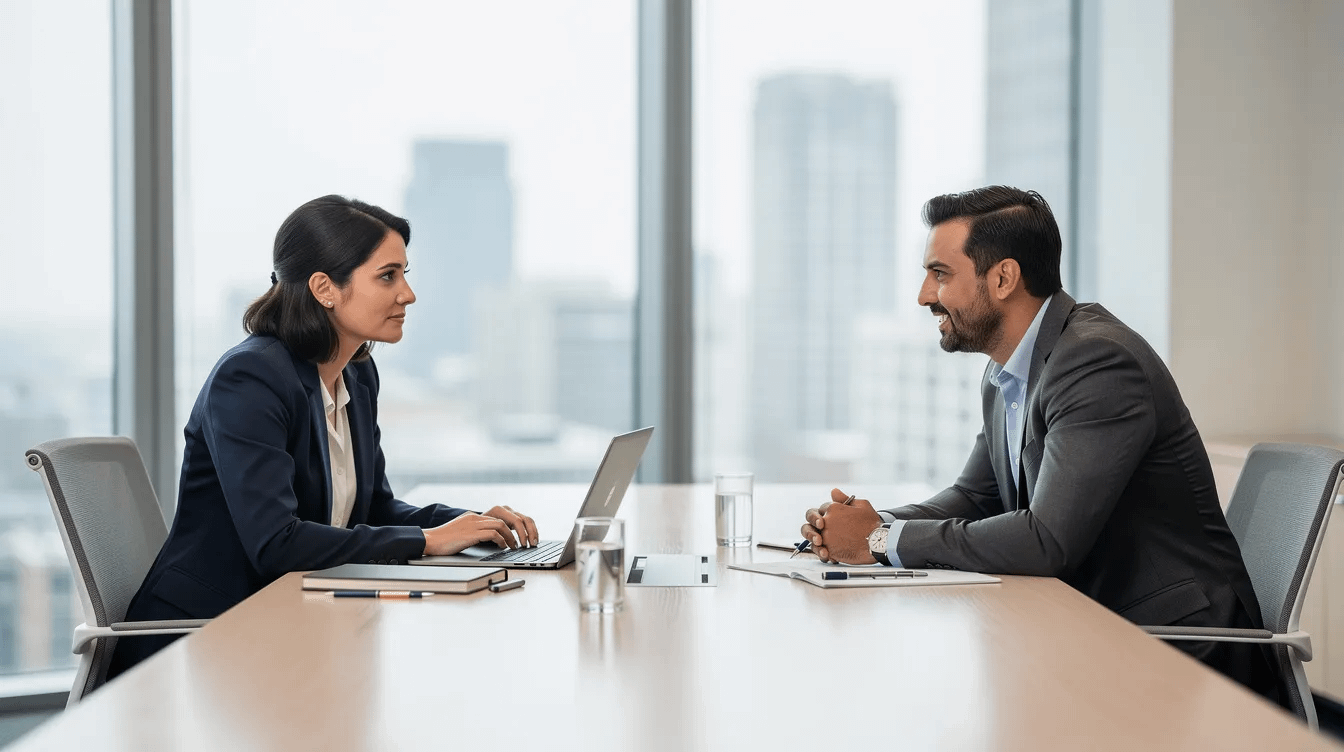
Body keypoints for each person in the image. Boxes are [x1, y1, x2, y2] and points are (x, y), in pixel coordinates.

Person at [799, 186, 1282, 702]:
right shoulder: (1008, 371)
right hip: (1096, 621)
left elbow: (1046, 540)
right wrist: (865, 524)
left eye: (940, 274)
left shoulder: (1096, 363)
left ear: (1003, 278)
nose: (923, 295)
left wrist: (878, 542)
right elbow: (975, 496)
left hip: (1179, 646)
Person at [108, 195, 539, 678]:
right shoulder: (250, 378)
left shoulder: (356, 373)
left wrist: (469, 525)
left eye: (405, 273)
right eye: (387, 275)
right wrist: (426, 541)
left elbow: (373, 509)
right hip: (203, 640)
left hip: (293, 623)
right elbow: (276, 543)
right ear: (324, 288)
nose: (408, 294)